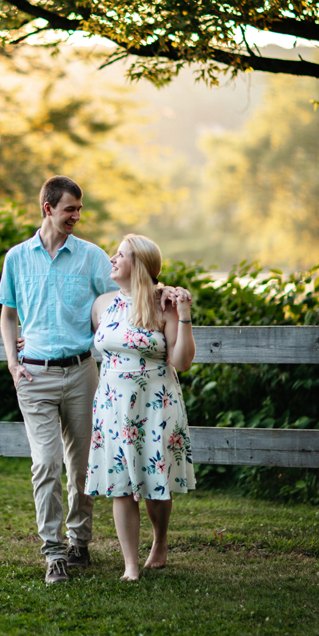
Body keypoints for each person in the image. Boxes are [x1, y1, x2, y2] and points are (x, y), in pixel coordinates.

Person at [0, 176, 115, 584]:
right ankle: (54, 553)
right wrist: (13, 363)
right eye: (70, 210)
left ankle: (80, 540)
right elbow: (8, 314)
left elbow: (121, 300)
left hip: (83, 373)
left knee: (81, 466)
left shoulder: (92, 257)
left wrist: (160, 291)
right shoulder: (16, 258)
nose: (76, 217)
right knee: (46, 463)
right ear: (48, 208)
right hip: (34, 375)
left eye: (79, 210)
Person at [85, 233, 195, 581]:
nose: (112, 259)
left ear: (140, 265)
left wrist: (185, 315)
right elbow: (87, 343)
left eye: (121, 255)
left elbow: (182, 361)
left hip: (155, 406)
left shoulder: (162, 303)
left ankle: (160, 541)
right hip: (113, 406)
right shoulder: (102, 304)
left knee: (155, 480)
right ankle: (130, 566)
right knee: (120, 483)